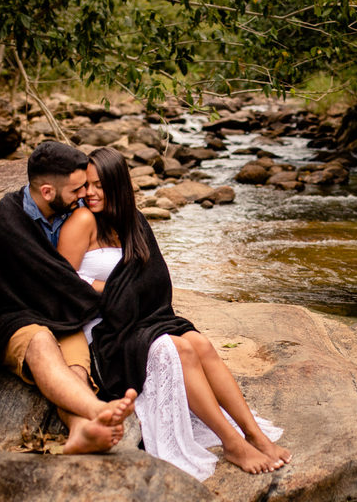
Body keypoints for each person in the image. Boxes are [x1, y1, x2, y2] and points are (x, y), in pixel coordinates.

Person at [57, 146, 292, 475]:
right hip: (104, 329)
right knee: (178, 348)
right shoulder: (82, 222)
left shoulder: (131, 222)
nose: (91, 193)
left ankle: (252, 433)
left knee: (200, 343)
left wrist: (127, 294)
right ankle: (233, 444)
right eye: (87, 185)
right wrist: (109, 290)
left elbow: (152, 277)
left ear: (118, 185)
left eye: (100, 184)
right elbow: (63, 281)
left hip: (140, 317)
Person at [0, 141, 137, 454]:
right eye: (77, 189)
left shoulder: (72, 212)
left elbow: (63, 281)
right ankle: (98, 411)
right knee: (41, 344)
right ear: (48, 191)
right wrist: (108, 290)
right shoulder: (9, 221)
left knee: (76, 365)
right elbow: (40, 281)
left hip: (58, 314)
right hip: (10, 316)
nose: (84, 196)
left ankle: (80, 428)